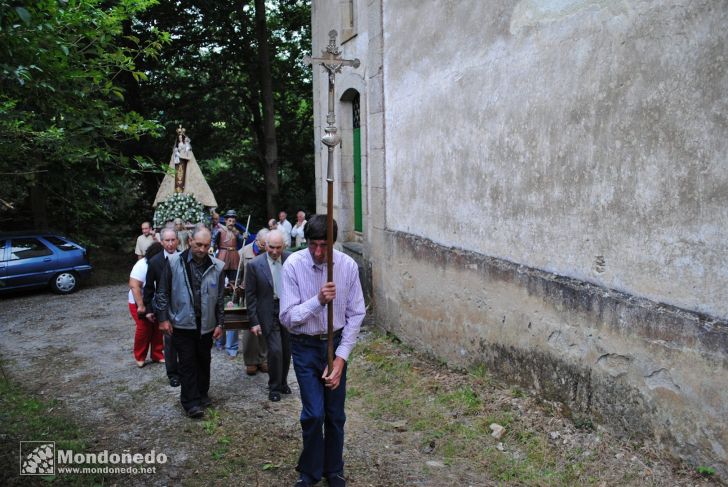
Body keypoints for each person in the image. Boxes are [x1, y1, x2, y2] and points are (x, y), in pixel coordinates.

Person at [280, 215, 366, 487]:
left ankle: (334, 469)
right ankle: (310, 472)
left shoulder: (347, 266)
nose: (318, 252)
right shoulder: (293, 264)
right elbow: (288, 318)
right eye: (313, 245)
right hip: (304, 347)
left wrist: (341, 358)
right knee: (314, 413)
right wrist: (317, 301)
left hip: (335, 343)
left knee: (335, 414)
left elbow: (356, 314)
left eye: (324, 246)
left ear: (333, 243)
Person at [155, 224, 225, 419]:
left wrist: (220, 323)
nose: (202, 249)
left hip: (206, 324)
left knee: (204, 360)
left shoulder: (217, 266)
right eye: (198, 245)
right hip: (182, 323)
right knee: (187, 362)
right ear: (190, 241)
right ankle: (190, 402)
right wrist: (163, 319)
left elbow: (220, 298)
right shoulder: (174, 262)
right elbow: (162, 292)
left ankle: (202, 394)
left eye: (206, 245)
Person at [245, 230, 291, 401]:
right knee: (275, 350)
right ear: (265, 245)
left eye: (278, 248)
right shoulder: (255, 265)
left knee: (287, 350)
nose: (274, 251)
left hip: (287, 309)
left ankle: (283, 382)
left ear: (284, 246)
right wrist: (254, 321)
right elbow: (250, 296)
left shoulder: (290, 259)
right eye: (271, 247)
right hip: (267, 311)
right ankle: (274, 387)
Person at [143, 228, 181, 387]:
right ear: (162, 242)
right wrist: (149, 309)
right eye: (167, 240)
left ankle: (187, 369)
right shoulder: (155, 261)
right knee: (170, 341)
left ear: (178, 241)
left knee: (185, 340)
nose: (170, 244)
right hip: (165, 307)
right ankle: (173, 374)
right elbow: (149, 288)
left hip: (183, 305)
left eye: (173, 240)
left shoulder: (185, 258)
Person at [236, 229, 269, 374]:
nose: (265, 247)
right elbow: (238, 273)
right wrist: (236, 291)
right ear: (256, 241)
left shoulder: (269, 253)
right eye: (263, 244)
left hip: (265, 295)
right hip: (247, 295)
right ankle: (250, 361)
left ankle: (263, 359)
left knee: (265, 328)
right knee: (249, 330)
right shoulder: (243, 252)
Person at [128, 242, 165, 368]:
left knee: (158, 327)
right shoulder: (142, 265)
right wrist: (141, 306)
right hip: (139, 301)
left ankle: (157, 354)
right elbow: (134, 286)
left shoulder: (164, 262)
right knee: (144, 328)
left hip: (156, 301)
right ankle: (140, 356)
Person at [215, 210, 242, 283]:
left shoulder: (236, 232)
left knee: (233, 275)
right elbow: (214, 240)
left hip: (233, 256)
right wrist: (212, 247)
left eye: (233, 221)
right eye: (230, 221)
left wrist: (243, 237)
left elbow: (241, 240)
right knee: (221, 274)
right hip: (222, 255)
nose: (231, 223)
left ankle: (232, 289)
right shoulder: (220, 230)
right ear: (225, 220)